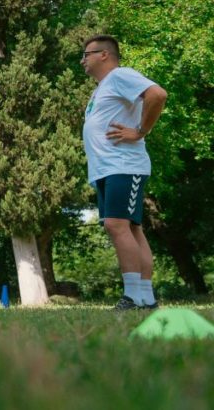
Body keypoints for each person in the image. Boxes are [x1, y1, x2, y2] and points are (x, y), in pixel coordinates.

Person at [81, 35, 167, 310]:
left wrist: (141, 131)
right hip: (107, 169)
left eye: (87, 54)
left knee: (116, 225)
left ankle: (132, 296)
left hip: (124, 165)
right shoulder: (102, 88)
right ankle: (145, 298)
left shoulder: (121, 75)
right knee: (130, 228)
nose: (83, 60)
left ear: (104, 55)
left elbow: (157, 94)